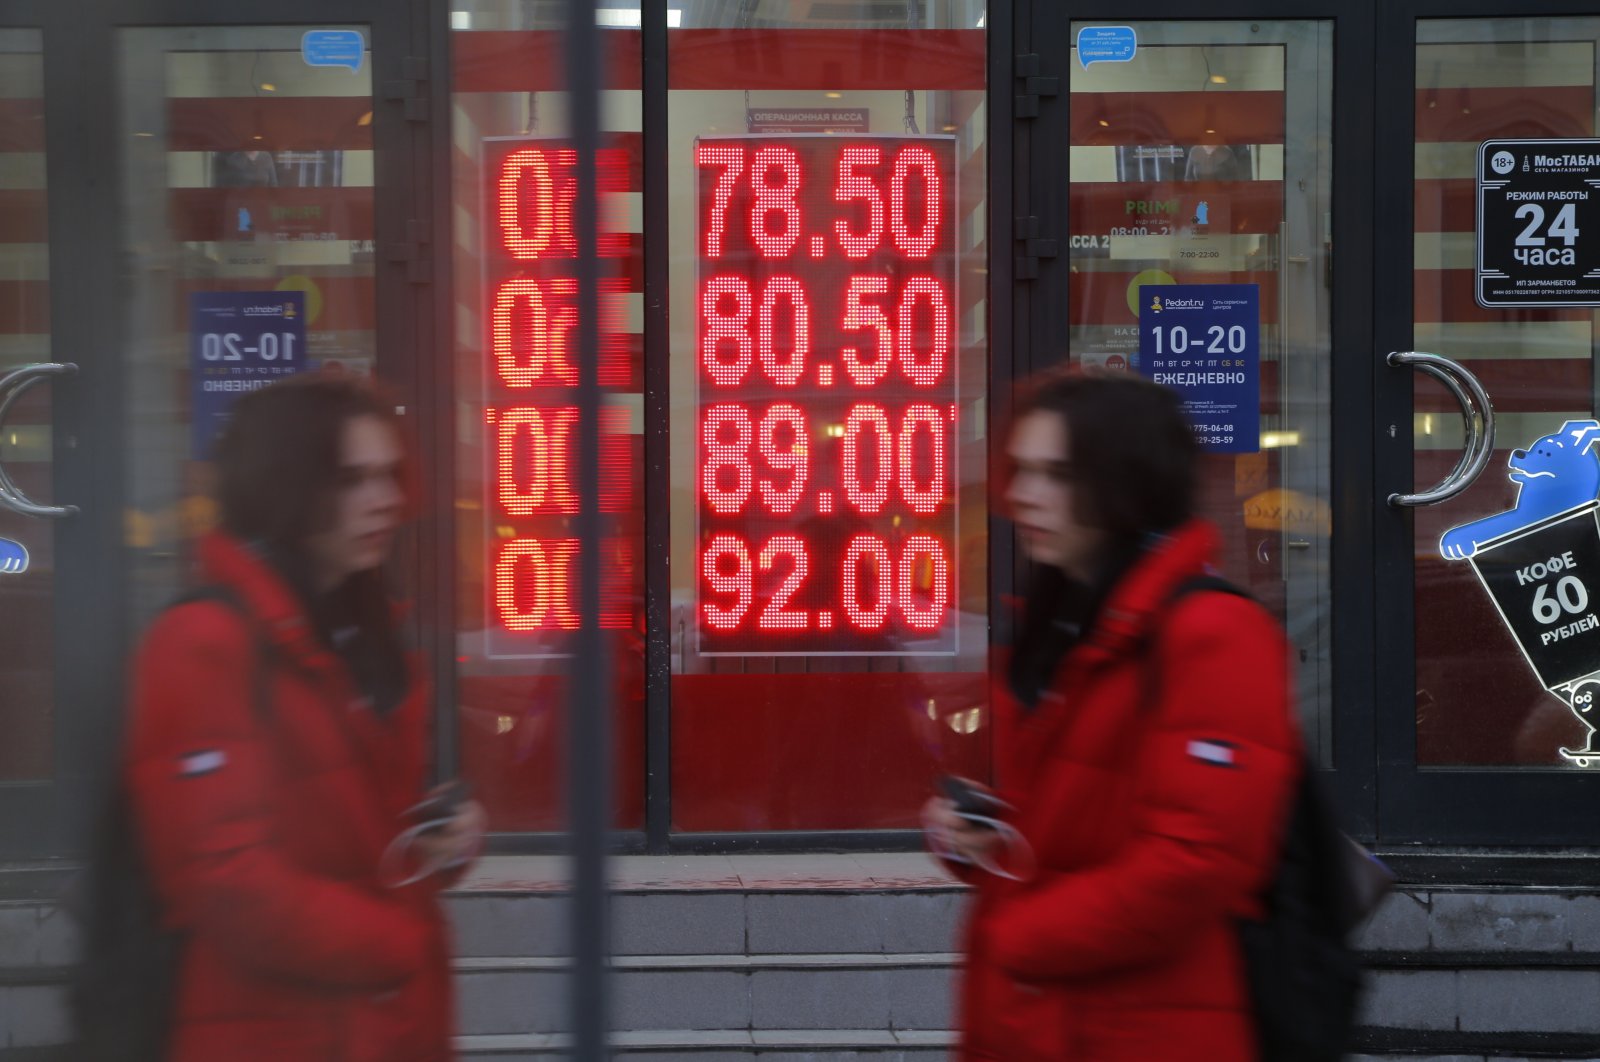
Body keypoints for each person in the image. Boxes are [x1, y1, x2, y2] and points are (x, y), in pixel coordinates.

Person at [924, 369, 1300, 1061]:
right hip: (1054, 1024)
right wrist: (982, 836)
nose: (1020, 495)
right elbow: (1079, 826)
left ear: (1124, 483)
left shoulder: (1212, 634)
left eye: (1057, 475)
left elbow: (1197, 862)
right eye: (1022, 469)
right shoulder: (1076, 619)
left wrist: (1022, 933)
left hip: (1142, 1029)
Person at [124, 374, 486, 1061]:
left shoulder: (363, 634)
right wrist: (392, 939)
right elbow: (225, 881)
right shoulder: (205, 642)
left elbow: (366, 834)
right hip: (272, 1030)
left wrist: (445, 842)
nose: (387, 500)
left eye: (389, 475)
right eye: (352, 480)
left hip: (382, 1026)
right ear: (289, 486)